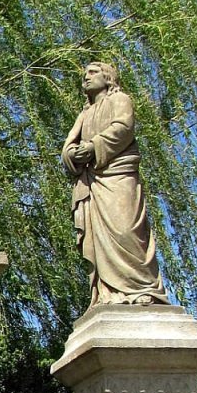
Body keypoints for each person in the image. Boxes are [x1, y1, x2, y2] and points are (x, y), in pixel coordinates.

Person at [61, 59, 169, 306]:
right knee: (98, 240)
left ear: (108, 77)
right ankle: (108, 293)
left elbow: (123, 128)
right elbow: (68, 145)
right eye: (84, 74)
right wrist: (72, 154)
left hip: (117, 177)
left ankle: (142, 288)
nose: (86, 77)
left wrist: (93, 147)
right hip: (92, 183)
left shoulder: (120, 100)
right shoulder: (85, 114)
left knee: (125, 229)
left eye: (93, 73)